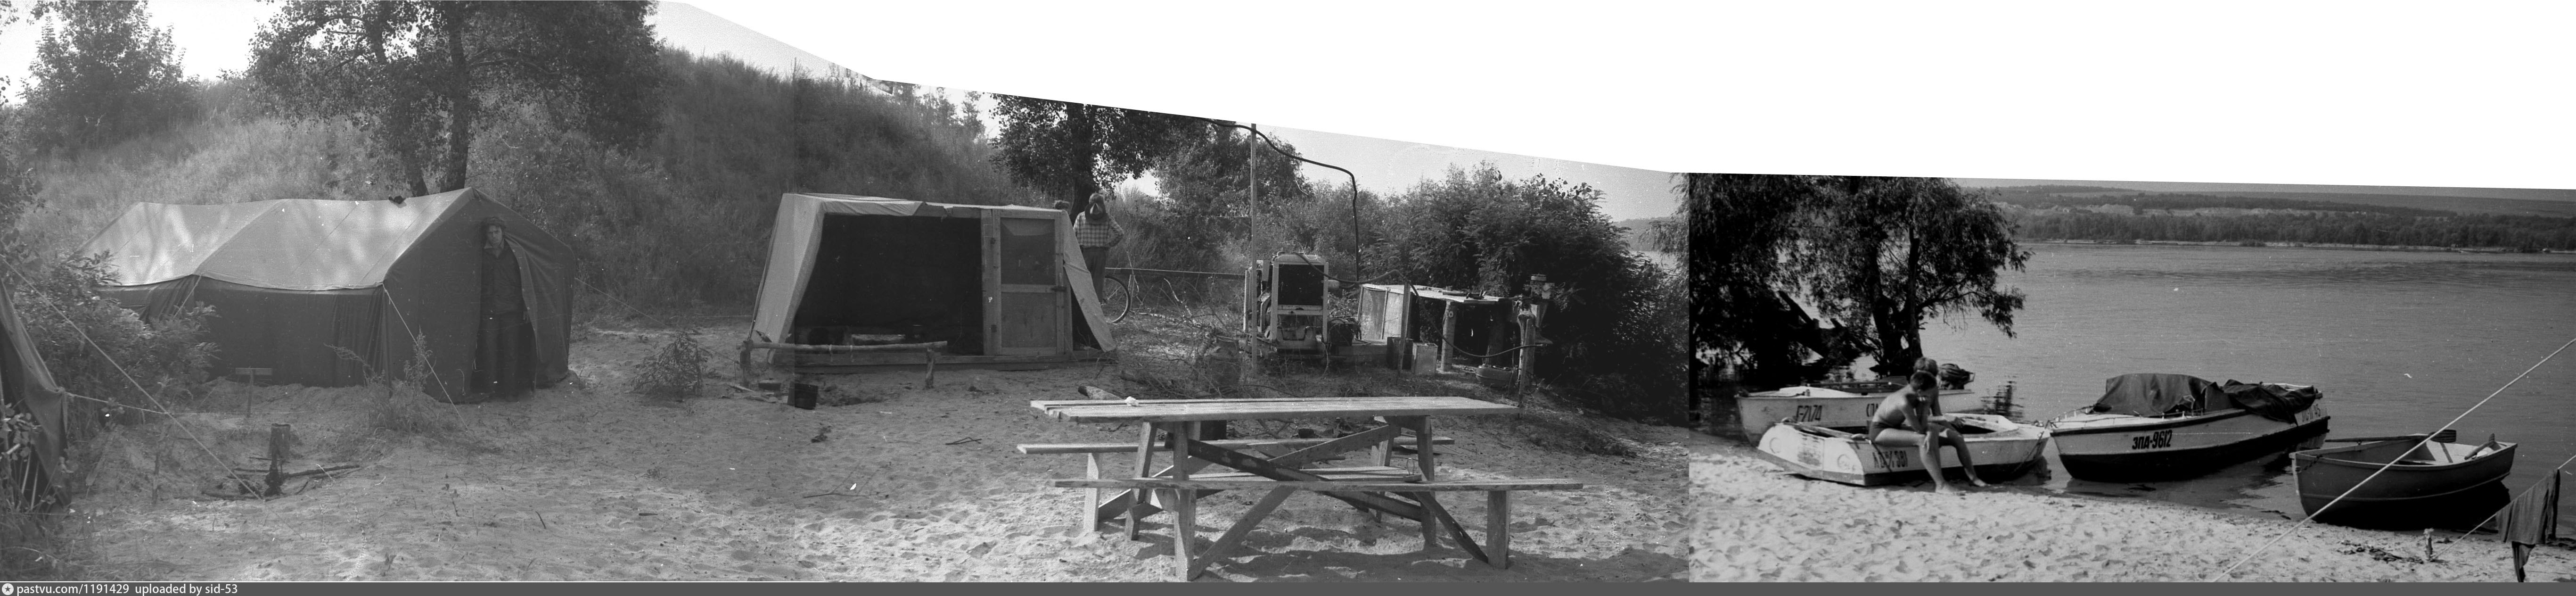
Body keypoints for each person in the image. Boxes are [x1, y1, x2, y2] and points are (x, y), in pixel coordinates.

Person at [1869, 361, 1988, 494]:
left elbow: (1924, 423)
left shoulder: (1919, 393)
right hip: (1880, 431)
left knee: (1942, 435)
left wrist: (1931, 427)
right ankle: (1941, 485)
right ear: (1921, 391)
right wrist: (1927, 411)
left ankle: (1972, 478)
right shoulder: (1904, 402)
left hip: (1895, 428)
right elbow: (1920, 429)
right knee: (1922, 440)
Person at [1074, 190, 1122, 298]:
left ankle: (1082, 304)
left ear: (1089, 203)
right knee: (1098, 283)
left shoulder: (1081, 217)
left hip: (1084, 253)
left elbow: (1073, 235)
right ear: (1102, 204)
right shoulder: (1107, 217)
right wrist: (1109, 244)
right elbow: (1120, 233)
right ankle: (1097, 305)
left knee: (1083, 281)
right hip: (1100, 254)